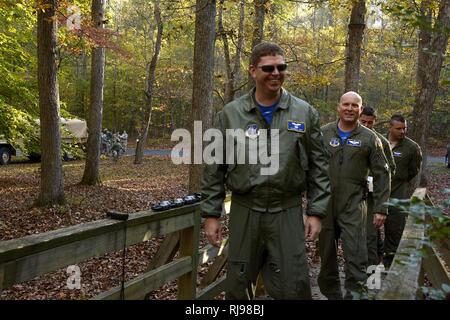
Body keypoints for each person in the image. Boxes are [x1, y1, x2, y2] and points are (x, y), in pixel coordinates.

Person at [200, 42, 331, 300]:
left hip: (287, 209)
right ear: (252, 71)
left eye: (281, 67)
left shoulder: (304, 113)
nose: (276, 73)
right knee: (238, 283)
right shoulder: (230, 114)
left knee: (294, 283)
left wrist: (316, 211)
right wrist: (211, 215)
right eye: (268, 68)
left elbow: (320, 166)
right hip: (245, 209)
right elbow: (214, 168)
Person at [318, 92, 391, 299]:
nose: (349, 108)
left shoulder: (370, 138)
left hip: (355, 204)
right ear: (338, 107)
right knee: (327, 256)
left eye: (354, 105)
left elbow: (382, 174)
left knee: (356, 256)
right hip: (325, 205)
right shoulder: (323, 133)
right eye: (346, 104)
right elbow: (311, 167)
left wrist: (380, 207)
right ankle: (332, 295)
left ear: (360, 109)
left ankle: (354, 295)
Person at [383, 114, 422, 268]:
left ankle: (390, 265)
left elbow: (414, 170)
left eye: (404, 128)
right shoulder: (378, 140)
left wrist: (399, 179)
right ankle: (373, 259)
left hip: (397, 193)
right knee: (370, 231)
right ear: (390, 127)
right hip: (375, 192)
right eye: (398, 128)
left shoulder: (412, 147)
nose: (402, 131)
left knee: (395, 229)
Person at [359, 106, 396, 266]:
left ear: (375, 121)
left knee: (370, 237)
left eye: (370, 122)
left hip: (371, 197)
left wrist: (372, 181)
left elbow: (390, 170)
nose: (366, 125)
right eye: (363, 122)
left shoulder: (382, 142)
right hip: (351, 195)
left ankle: (371, 276)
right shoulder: (350, 136)